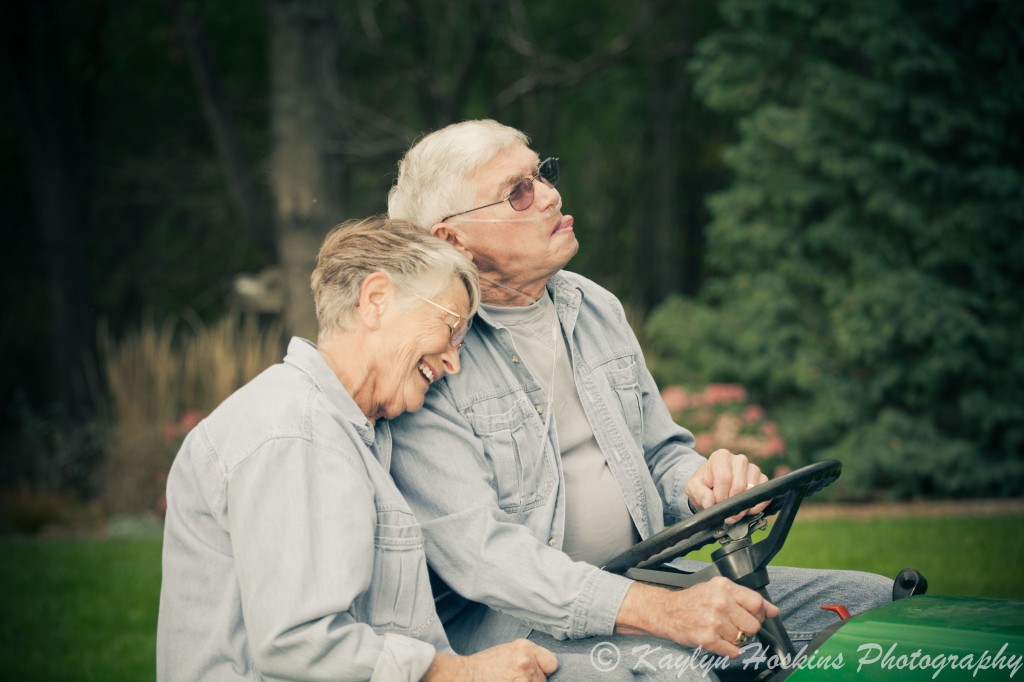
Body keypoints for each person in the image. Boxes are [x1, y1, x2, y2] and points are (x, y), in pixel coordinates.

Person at [385, 120, 893, 679]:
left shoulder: (595, 306)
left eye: (542, 175)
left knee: (880, 607)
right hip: (518, 629)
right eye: (518, 192)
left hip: (649, 582)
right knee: (676, 671)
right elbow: (485, 556)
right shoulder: (429, 354)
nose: (551, 196)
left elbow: (661, 453)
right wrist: (662, 612)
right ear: (452, 240)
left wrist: (703, 484)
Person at [156, 217, 566, 681]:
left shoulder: (344, 428)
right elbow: (300, 642)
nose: (454, 360)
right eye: (451, 328)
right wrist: (465, 674)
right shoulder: (296, 433)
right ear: (376, 300)